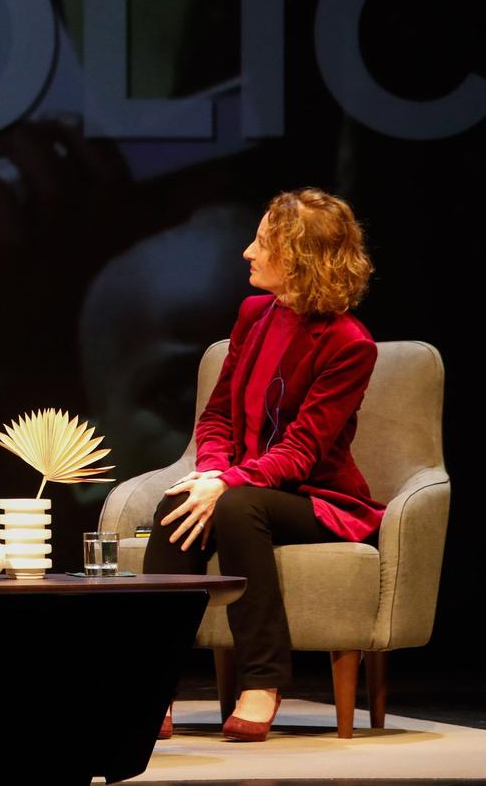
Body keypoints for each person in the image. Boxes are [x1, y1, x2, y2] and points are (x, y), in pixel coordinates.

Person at [141, 189, 381, 743]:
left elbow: (302, 453)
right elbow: (218, 415)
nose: (248, 252)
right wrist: (211, 470)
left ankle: (263, 680)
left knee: (238, 503)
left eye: (263, 242)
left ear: (297, 256)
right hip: (246, 487)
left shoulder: (349, 344)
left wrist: (228, 481)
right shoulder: (254, 314)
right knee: (181, 500)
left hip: (317, 498)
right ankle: (151, 685)